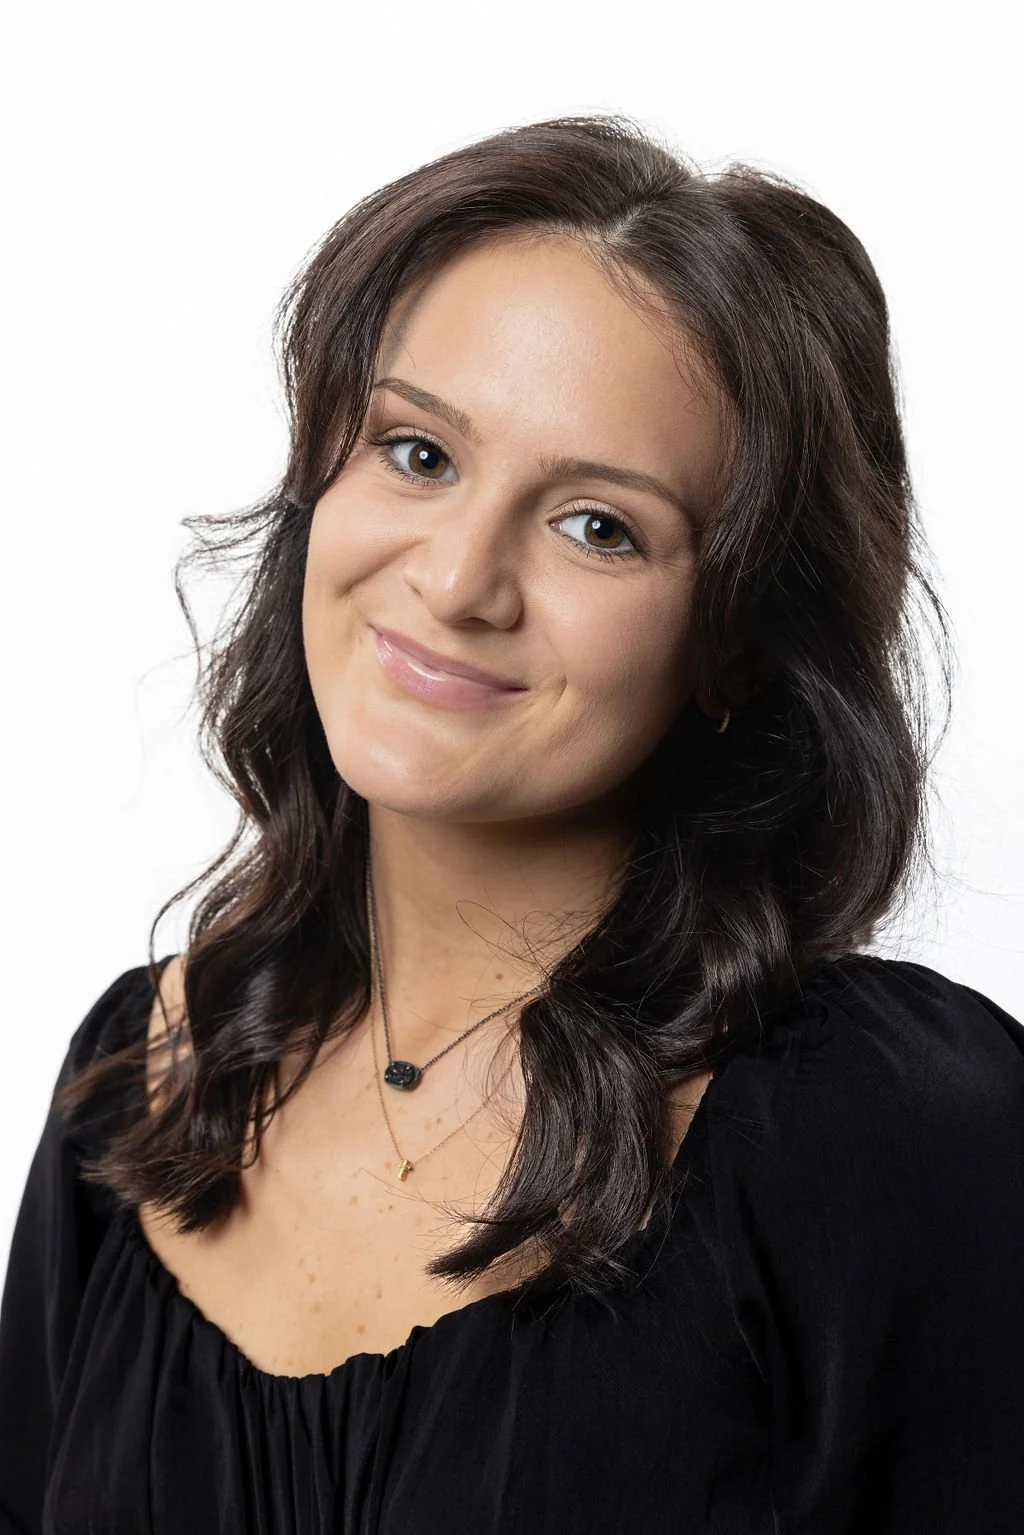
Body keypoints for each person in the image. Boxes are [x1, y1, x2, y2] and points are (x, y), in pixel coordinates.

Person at [1, 111, 1022, 1535]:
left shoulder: (890, 1127)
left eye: (600, 525)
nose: (460, 578)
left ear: (734, 644)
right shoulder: (138, 1078)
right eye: (418, 453)